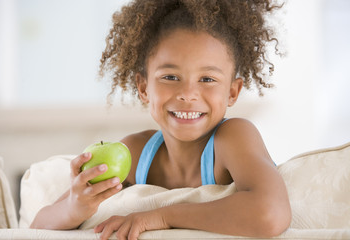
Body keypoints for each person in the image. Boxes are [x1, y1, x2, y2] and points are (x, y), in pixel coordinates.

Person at [30, 0, 292, 239]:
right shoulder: (136, 151)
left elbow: (270, 213)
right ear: (143, 88)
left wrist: (161, 216)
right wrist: (75, 206)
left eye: (207, 79)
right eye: (170, 77)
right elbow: (38, 226)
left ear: (232, 92)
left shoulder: (234, 136)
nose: (187, 94)